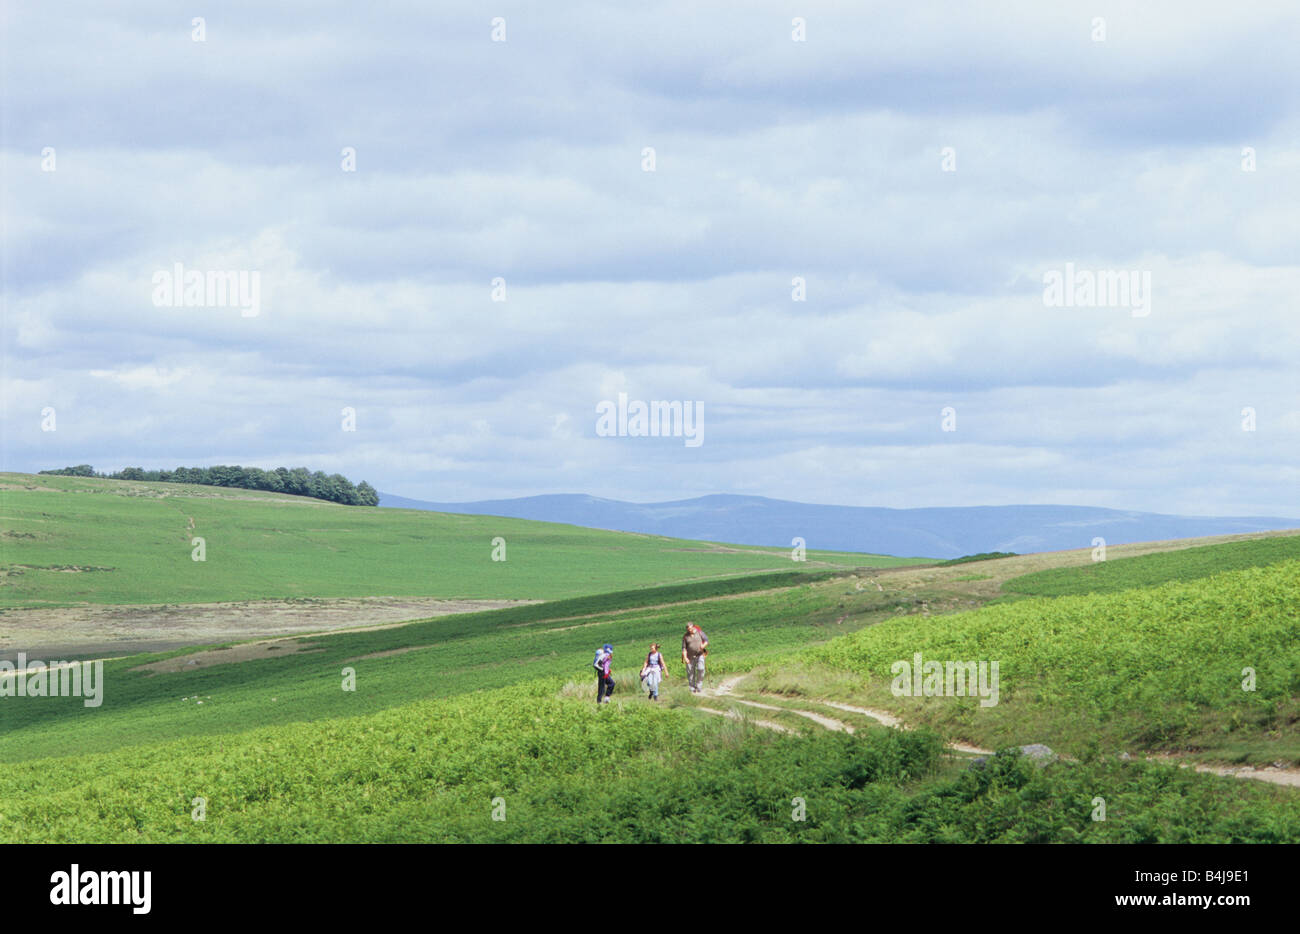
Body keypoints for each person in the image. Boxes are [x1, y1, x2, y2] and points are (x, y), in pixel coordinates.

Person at [681, 623, 708, 694]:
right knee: (690, 673)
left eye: (690, 628)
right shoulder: (685, 637)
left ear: (693, 627)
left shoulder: (699, 632)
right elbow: (684, 648)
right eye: (688, 629)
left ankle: (699, 686)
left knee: (701, 669)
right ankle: (692, 688)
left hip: (700, 654)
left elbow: (706, 640)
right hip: (690, 657)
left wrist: (703, 645)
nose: (689, 630)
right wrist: (685, 658)